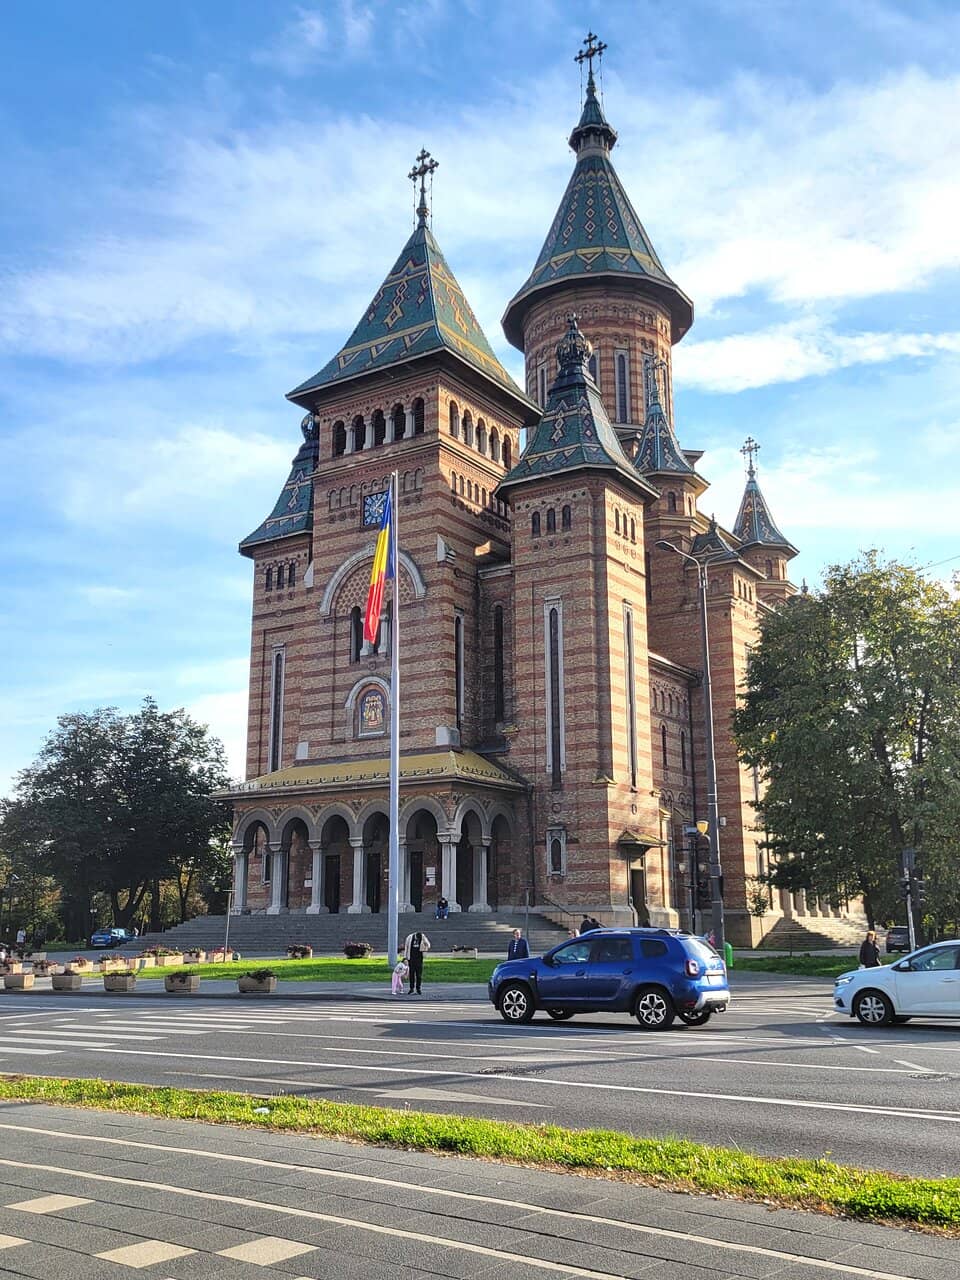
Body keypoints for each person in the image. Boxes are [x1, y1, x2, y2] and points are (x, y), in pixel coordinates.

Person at [403, 928, 431, 994]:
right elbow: (406, 947)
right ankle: (411, 988)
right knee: (411, 974)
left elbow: (428, 945)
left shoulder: (422, 937)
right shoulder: (410, 937)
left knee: (419, 975)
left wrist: (424, 939)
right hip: (411, 959)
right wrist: (405, 958)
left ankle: (418, 988)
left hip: (419, 959)